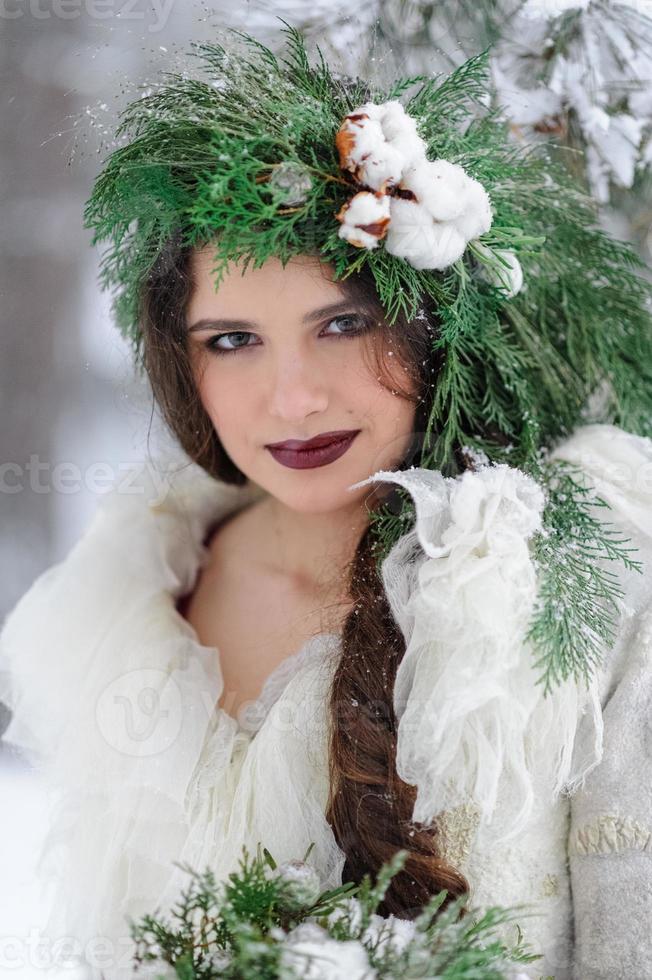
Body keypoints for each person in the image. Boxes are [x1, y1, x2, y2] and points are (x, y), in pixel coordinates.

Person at [1, 22, 652, 980]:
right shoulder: (128, 601)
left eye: (343, 323)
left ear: (437, 331)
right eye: (231, 339)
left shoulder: (577, 581)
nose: (293, 399)